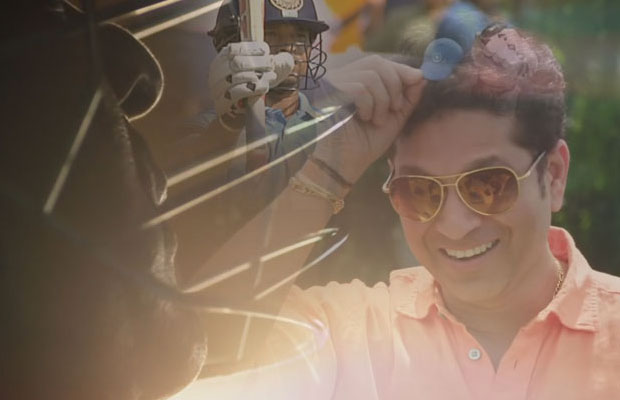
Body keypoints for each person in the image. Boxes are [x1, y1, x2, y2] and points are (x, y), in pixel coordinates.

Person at [178, 22, 620, 399]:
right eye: (419, 191)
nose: (454, 225)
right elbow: (192, 356)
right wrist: (329, 165)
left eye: (487, 186)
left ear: (554, 175)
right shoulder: (350, 335)